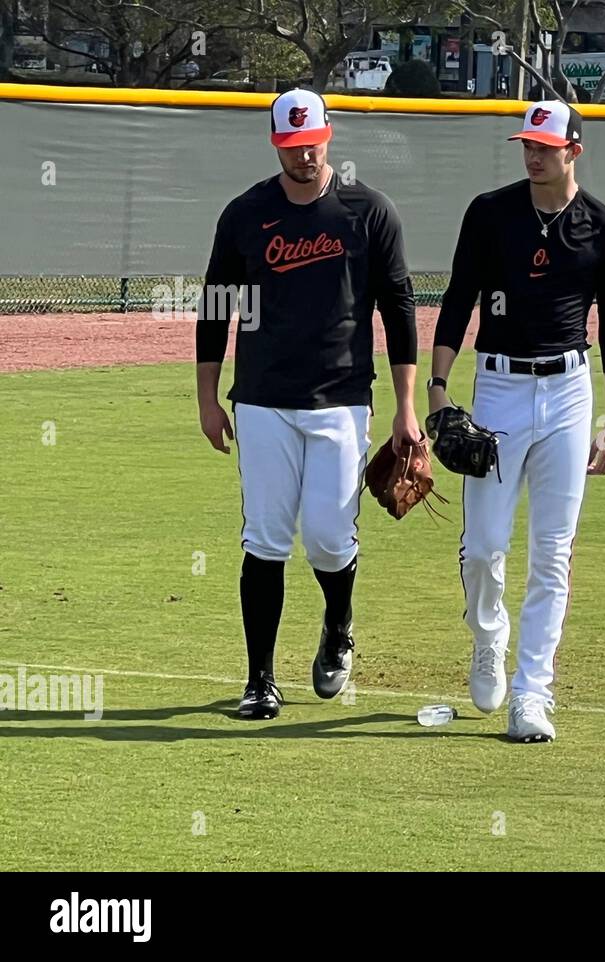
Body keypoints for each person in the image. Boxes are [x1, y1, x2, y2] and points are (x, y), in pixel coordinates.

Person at [196, 88, 421, 720]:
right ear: (276, 144)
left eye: (312, 143)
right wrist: (208, 398)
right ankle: (260, 680)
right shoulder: (246, 214)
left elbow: (399, 310)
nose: (303, 155)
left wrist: (406, 407)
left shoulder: (368, 213)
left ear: (330, 134)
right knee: (264, 538)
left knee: (326, 537)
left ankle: (338, 623)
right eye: (291, 147)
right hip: (263, 400)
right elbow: (215, 307)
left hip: (341, 399)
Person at [429, 100, 605, 743]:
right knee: (486, 546)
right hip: (498, 388)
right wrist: (438, 390)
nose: (533, 153)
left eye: (545, 145)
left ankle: (532, 693)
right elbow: (458, 297)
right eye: (527, 143)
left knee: (552, 554)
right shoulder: (490, 213)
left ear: (574, 149)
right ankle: (489, 637)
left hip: (570, 393)